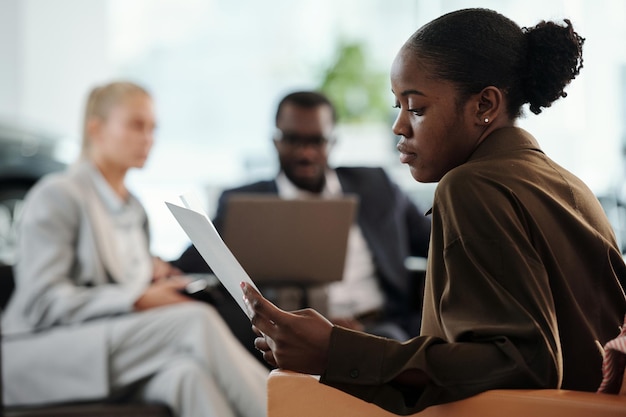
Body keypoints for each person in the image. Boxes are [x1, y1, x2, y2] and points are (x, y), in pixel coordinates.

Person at [242, 8, 626, 415]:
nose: (399, 127)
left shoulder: (470, 185)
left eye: (417, 108)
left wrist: (334, 351)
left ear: (485, 105)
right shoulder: (567, 185)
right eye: (398, 108)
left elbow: (522, 362)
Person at [1, 81, 268, 417]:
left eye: (153, 128)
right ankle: (291, 409)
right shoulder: (58, 195)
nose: (149, 138)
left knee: (186, 376)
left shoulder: (135, 209)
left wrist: (152, 283)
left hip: (104, 345)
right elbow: (43, 302)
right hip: (41, 351)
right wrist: (137, 299)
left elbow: (119, 281)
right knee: (193, 322)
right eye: (136, 125)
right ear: (95, 128)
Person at [174, 90, 431, 346]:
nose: (305, 153)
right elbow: (193, 262)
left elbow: (434, 241)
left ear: (332, 142)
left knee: (389, 348)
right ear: (275, 141)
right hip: (291, 339)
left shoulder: (376, 186)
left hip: (378, 329)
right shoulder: (244, 203)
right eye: (293, 140)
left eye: (316, 141)